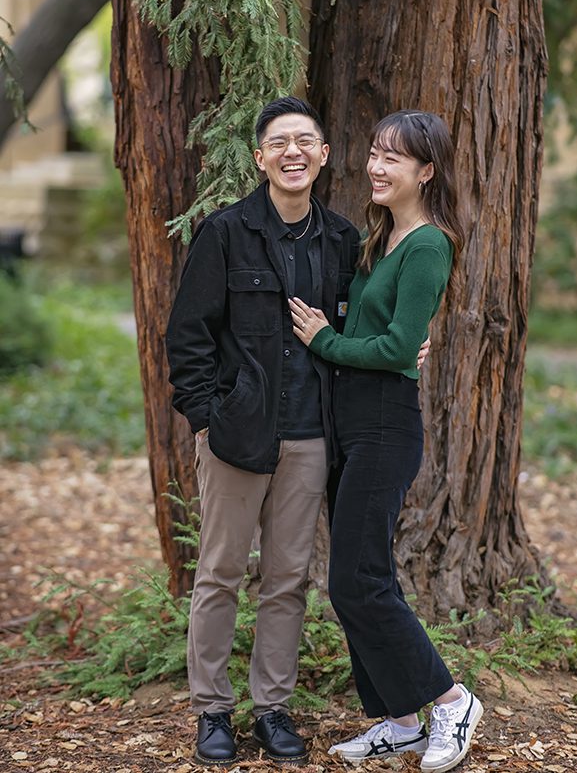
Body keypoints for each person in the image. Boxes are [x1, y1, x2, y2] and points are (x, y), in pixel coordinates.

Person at [166, 97, 428, 766]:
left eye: (305, 141)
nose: (292, 152)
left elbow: (367, 324)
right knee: (219, 574)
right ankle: (212, 711)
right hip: (235, 437)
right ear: (260, 158)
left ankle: (272, 710)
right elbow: (188, 337)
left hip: (312, 438)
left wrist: (408, 350)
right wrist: (207, 419)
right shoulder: (225, 233)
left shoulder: (343, 240)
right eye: (279, 142)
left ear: (322, 155)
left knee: (287, 579)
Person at [289, 109, 483, 773]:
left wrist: (327, 341)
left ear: (426, 171)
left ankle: (452, 701)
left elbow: (399, 347)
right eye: (373, 152)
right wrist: (355, 340)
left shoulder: (428, 244)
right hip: (349, 423)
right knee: (359, 579)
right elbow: (386, 333)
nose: (374, 166)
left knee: (357, 580)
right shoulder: (381, 237)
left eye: (391, 157)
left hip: (383, 425)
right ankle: (400, 721)